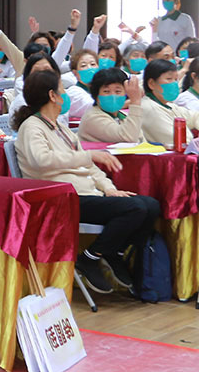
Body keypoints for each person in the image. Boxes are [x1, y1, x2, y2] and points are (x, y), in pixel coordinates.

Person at [13, 70, 160, 294]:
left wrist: (110, 189)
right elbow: (42, 160)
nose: (65, 94)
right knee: (135, 208)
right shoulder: (32, 127)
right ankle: (91, 257)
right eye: (62, 89)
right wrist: (89, 156)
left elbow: (89, 168)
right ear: (52, 95)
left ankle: (113, 252)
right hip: (61, 198)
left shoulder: (60, 128)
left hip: (86, 193)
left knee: (151, 205)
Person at [140, 58, 199, 146]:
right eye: (169, 78)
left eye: (175, 79)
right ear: (151, 83)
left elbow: (194, 117)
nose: (174, 83)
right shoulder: (149, 108)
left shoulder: (167, 105)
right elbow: (180, 141)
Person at [78, 69, 144, 144]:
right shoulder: (93, 118)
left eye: (118, 91)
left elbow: (140, 139)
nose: (113, 96)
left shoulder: (123, 116)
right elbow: (129, 137)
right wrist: (135, 101)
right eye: (106, 91)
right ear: (96, 95)